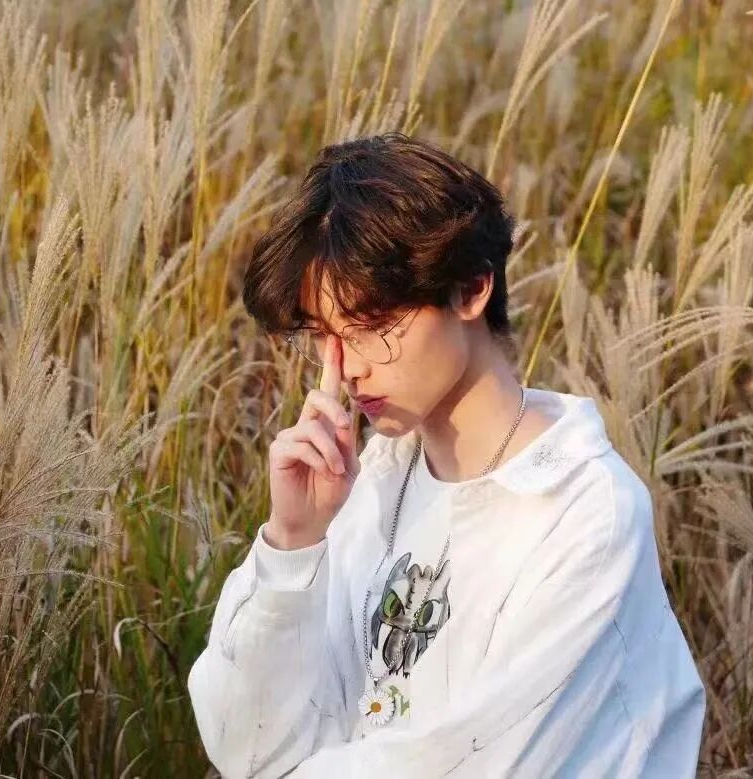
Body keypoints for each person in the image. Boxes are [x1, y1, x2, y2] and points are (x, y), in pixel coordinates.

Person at [187, 132, 706, 777]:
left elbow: (475, 764)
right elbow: (247, 745)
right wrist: (294, 543)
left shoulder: (585, 514)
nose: (345, 368)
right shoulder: (373, 480)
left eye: (372, 325)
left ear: (471, 288)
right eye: (323, 336)